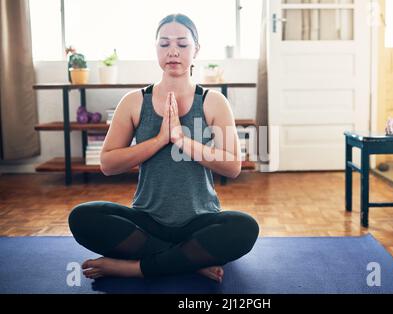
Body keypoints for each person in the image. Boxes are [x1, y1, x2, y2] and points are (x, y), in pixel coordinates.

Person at [68, 13, 259, 283]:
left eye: (182, 44)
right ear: (155, 48)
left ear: (196, 50)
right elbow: (108, 164)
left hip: (200, 221)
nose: (173, 51)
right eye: (164, 44)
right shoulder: (134, 102)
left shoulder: (213, 102)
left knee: (244, 228)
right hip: (145, 222)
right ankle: (189, 261)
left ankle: (134, 268)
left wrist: (183, 141)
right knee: (82, 217)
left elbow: (233, 166)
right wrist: (160, 140)